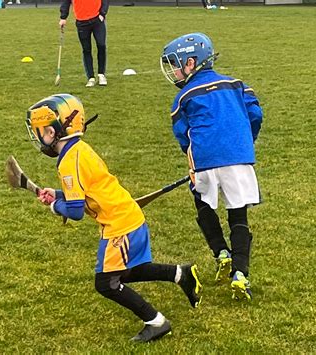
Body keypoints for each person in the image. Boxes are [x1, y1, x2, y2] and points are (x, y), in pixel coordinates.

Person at [26, 94, 202, 342]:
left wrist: (57, 207)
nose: (39, 136)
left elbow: (75, 211)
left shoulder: (69, 162)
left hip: (120, 225)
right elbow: (85, 190)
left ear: (57, 130)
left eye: (42, 130)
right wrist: (56, 194)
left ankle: (156, 321)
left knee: (106, 282)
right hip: (128, 216)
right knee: (127, 271)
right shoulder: (78, 149)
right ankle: (180, 274)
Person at [159, 33, 263, 301]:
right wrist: (243, 142)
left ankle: (221, 253)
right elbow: (255, 114)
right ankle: (240, 275)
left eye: (176, 64)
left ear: (192, 63)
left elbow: (183, 134)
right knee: (238, 214)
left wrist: (194, 160)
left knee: (203, 203)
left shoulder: (184, 96)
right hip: (239, 158)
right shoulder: (238, 84)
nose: (173, 71)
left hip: (205, 160)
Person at [59, 0, 109, 87]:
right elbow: (66, 2)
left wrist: (102, 13)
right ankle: (91, 77)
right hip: (81, 22)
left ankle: (101, 74)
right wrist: (63, 17)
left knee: (101, 45)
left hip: (97, 19)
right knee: (86, 49)